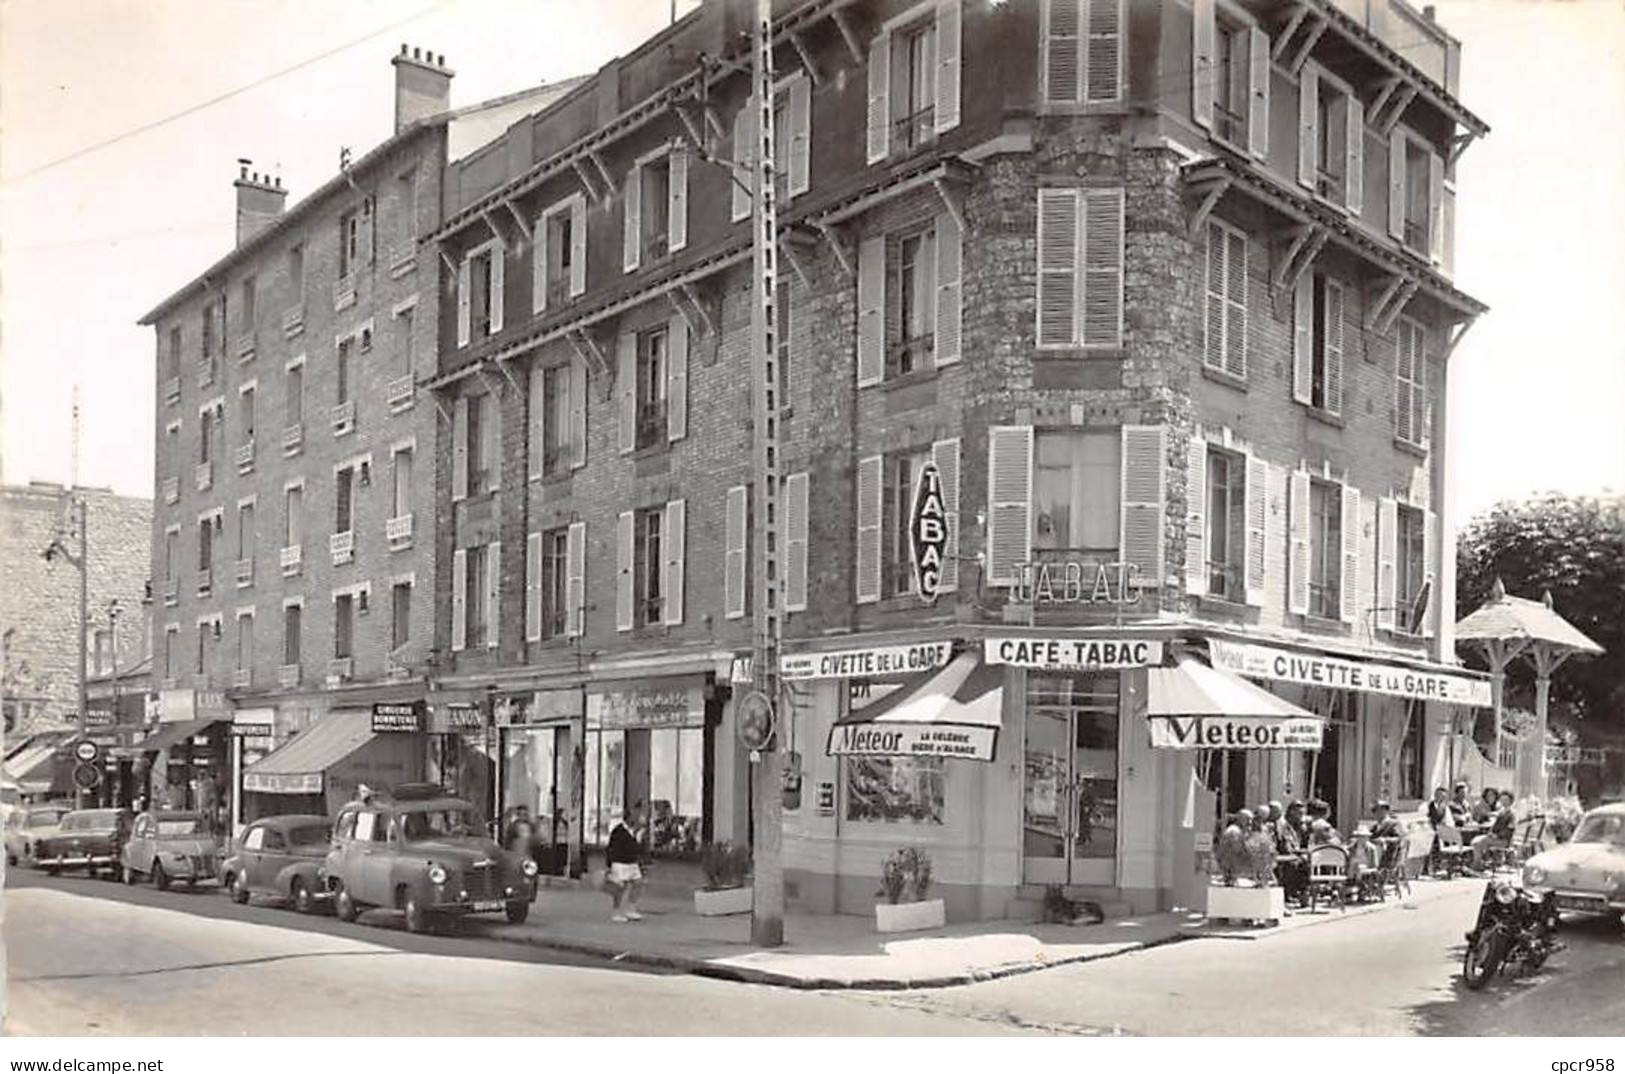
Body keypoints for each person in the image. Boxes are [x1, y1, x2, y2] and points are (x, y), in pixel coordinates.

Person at [605, 804, 645, 923]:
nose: (637, 819)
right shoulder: (618, 831)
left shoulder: (634, 831)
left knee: (638, 883)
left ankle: (630, 909)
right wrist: (609, 865)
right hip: (620, 863)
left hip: (632, 862)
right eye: (634, 817)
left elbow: (637, 849)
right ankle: (616, 912)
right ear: (628, 818)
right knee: (620, 888)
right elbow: (612, 848)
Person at [1471, 791, 1518, 870]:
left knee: (1479, 843)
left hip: (1504, 840)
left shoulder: (1511, 814)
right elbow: (1495, 826)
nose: (1503, 801)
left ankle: (1477, 865)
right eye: (1502, 799)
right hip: (1496, 838)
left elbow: (1509, 830)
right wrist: (1491, 833)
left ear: (1510, 801)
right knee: (1476, 840)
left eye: (1506, 800)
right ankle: (1481, 862)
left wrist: (1497, 835)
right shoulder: (1502, 812)